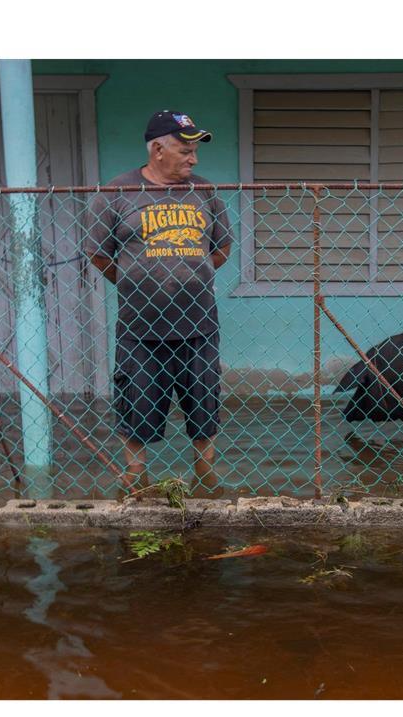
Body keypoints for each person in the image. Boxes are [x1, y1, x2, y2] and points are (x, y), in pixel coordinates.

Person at [87, 110, 232, 497]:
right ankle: (136, 477)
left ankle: (204, 474)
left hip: (199, 321)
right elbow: (100, 255)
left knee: (204, 401)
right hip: (141, 324)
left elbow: (222, 248)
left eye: (195, 151)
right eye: (185, 150)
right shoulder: (117, 193)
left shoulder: (205, 192)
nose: (193, 159)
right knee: (137, 401)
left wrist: (189, 275)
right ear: (157, 149)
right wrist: (140, 282)